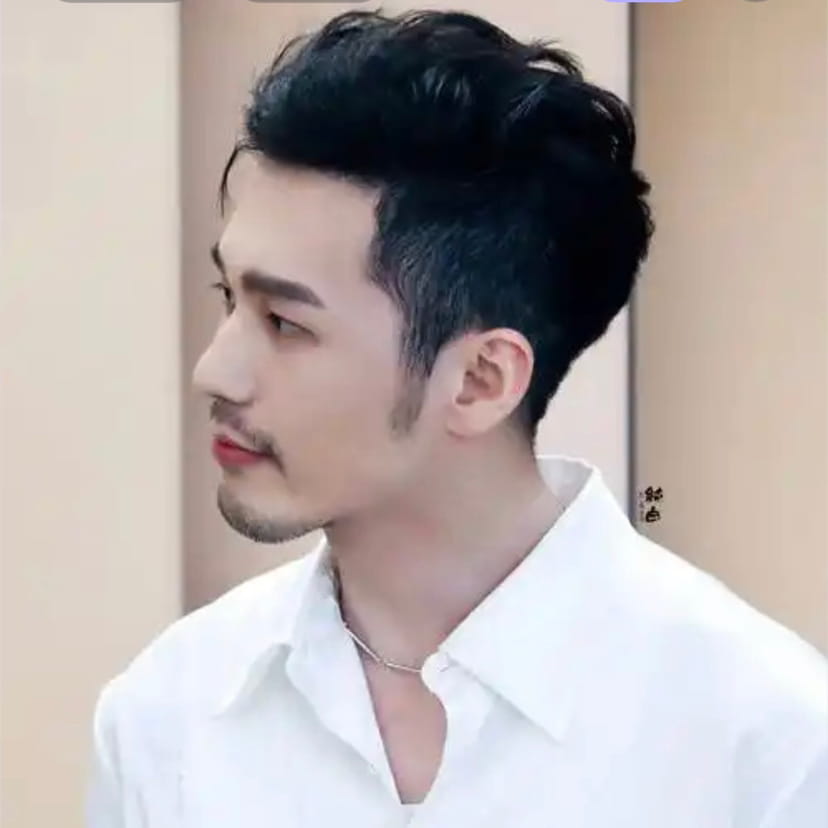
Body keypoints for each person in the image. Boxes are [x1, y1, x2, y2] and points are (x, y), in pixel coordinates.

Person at [86, 8, 826, 827]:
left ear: (480, 380)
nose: (213, 371)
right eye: (229, 297)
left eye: (286, 323)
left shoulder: (765, 745)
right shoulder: (168, 716)